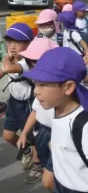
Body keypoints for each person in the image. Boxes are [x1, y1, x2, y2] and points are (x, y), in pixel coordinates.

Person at [22, 47, 88, 192]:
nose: (35, 90)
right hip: (61, 183)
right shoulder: (55, 110)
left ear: (68, 87)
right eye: (35, 83)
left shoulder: (86, 126)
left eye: (42, 84)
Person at [17, 37, 58, 187]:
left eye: (38, 61)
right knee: (48, 173)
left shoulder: (60, 86)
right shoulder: (39, 85)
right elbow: (35, 111)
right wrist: (23, 133)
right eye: (31, 61)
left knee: (49, 180)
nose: (34, 65)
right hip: (42, 131)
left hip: (58, 133)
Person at [1, 23, 35, 174]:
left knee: (33, 137)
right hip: (14, 102)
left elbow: (8, 69)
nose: (12, 47)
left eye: (18, 43)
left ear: (29, 44)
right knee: (8, 136)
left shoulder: (27, 62)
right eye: (9, 42)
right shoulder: (12, 60)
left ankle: (38, 163)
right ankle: (27, 150)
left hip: (28, 104)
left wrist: (5, 59)